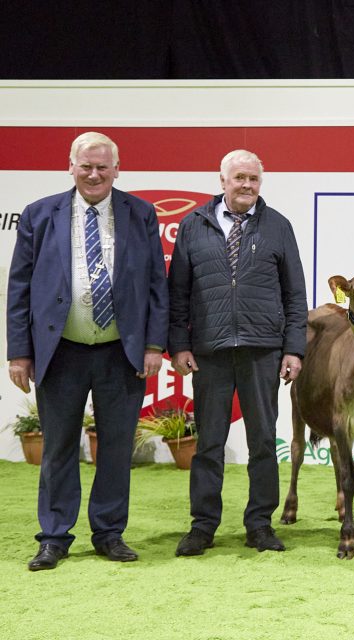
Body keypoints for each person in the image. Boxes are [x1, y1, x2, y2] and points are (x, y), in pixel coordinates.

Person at [7, 132, 168, 571]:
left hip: (122, 352)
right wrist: (19, 353)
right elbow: (20, 287)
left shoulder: (141, 213)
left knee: (116, 448)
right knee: (58, 448)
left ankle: (109, 533)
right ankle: (54, 537)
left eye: (102, 167)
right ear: (71, 166)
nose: (94, 174)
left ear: (117, 169)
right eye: (86, 166)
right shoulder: (40, 214)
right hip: (61, 352)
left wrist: (154, 344)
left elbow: (157, 283)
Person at [168, 149, 307, 556]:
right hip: (209, 351)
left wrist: (293, 349)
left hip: (262, 351)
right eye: (239, 177)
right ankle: (202, 526)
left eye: (253, 179)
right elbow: (178, 293)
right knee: (208, 444)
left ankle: (260, 524)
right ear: (222, 181)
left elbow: (295, 294)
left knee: (262, 442)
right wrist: (179, 344)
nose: (247, 185)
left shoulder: (278, 225)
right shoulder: (192, 225)